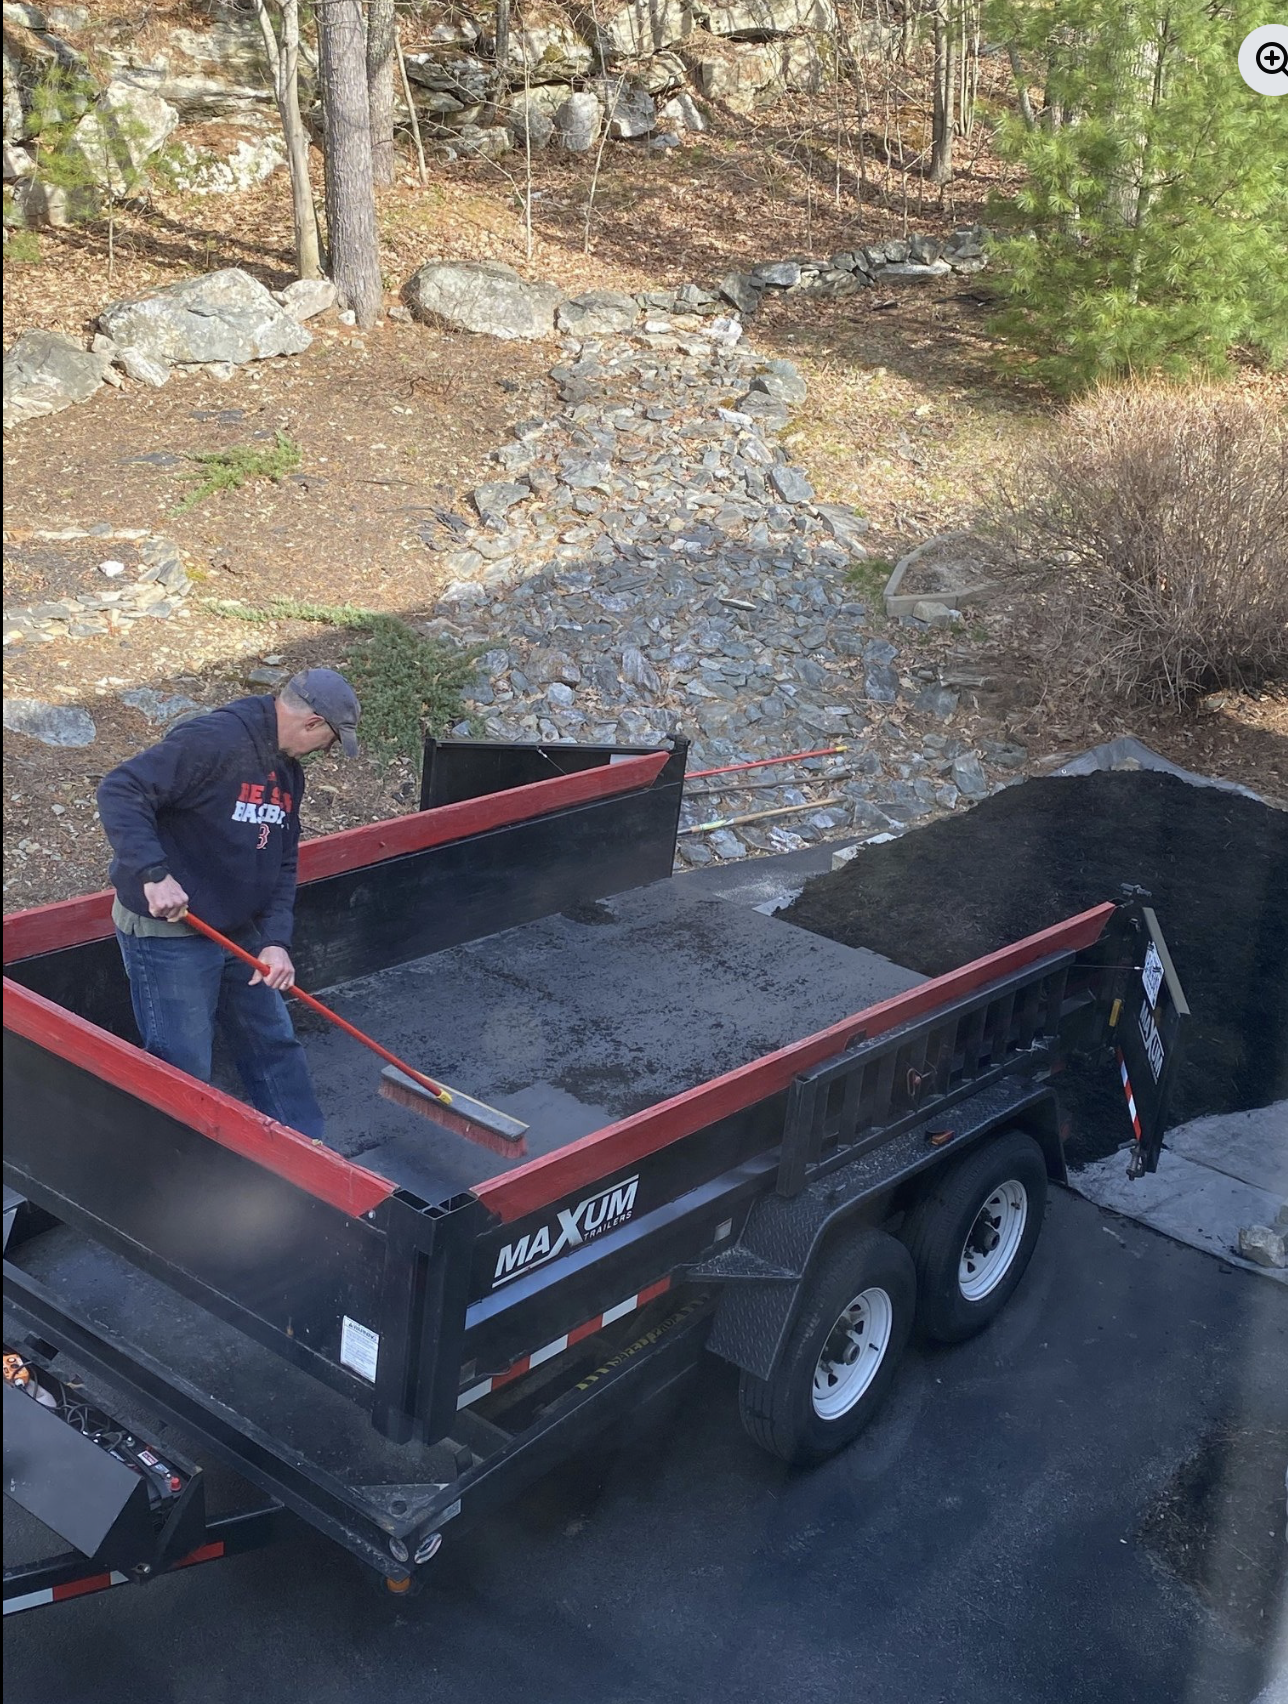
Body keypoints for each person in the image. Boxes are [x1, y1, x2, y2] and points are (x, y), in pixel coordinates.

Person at [96, 669, 361, 1140]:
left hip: (238, 930)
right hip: (170, 935)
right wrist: (153, 874)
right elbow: (120, 789)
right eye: (328, 742)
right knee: (183, 1062)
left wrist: (277, 942)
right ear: (314, 723)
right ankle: (183, 1171)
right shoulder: (214, 741)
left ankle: (307, 1152)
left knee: (273, 1041)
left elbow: (283, 863)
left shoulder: (286, 774)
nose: (323, 753)